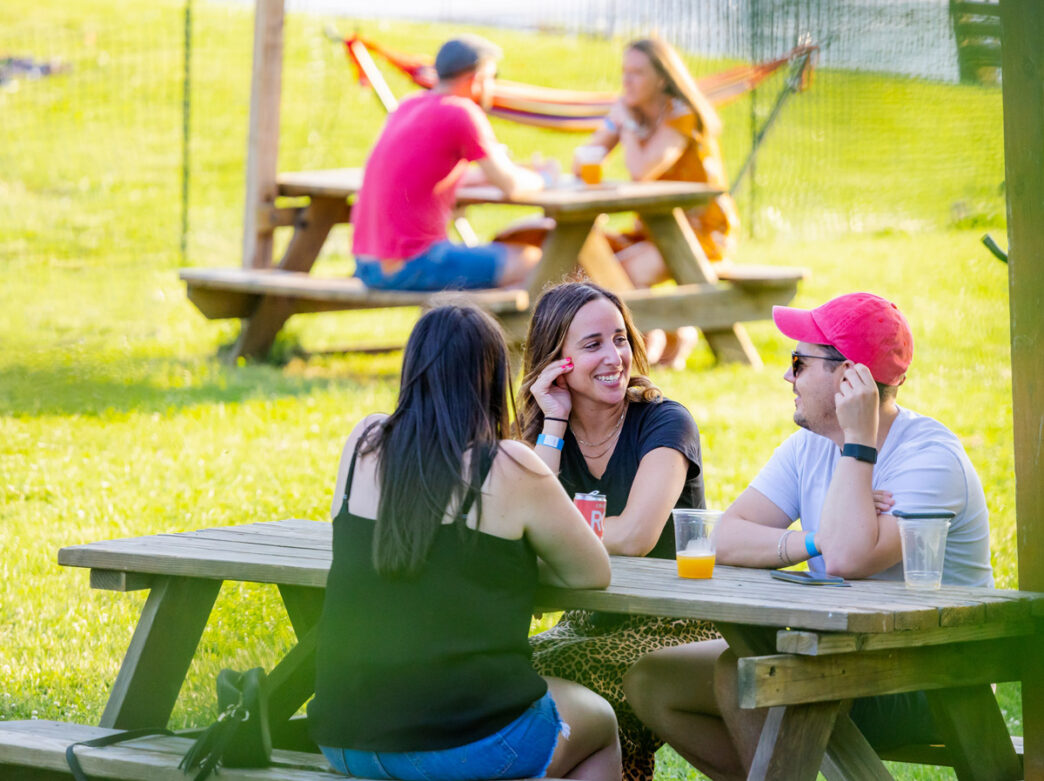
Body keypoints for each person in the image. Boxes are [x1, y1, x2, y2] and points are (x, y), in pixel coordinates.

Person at [623, 292, 994, 780]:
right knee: (653, 680)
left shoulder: (930, 458)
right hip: (838, 654)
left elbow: (846, 558)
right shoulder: (808, 447)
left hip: (930, 676)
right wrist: (811, 539)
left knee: (742, 675)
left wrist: (858, 444)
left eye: (798, 362)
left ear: (849, 377)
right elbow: (725, 538)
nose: (786, 375)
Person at [308, 302, 622, 781]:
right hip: (464, 743)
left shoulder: (363, 442)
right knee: (599, 721)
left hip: (344, 739)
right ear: (492, 380)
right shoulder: (511, 465)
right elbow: (592, 572)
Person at [517, 280, 719, 781]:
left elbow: (635, 536)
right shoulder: (546, 437)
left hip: (678, 622)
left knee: (577, 674)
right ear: (554, 362)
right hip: (593, 620)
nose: (615, 356)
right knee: (512, 671)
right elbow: (523, 529)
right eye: (592, 344)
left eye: (621, 338)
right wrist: (554, 424)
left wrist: (552, 533)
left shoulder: (665, 423)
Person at [585, 38, 740, 369]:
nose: (627, 81)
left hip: (699, 231)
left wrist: (624, 123)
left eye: (637, 73)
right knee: (598, 263)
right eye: (625, 72)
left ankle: (655, 341)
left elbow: (642, 170)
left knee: (624, 272)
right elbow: (584, 160)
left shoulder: (680, 115)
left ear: (662, 78)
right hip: (653, 229)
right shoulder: (634, 111)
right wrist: (615, 122)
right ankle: (669, 335)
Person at [350, 35, 549, 292]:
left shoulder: (409, 105)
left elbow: (432, 175)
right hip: (409, 264)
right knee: (536, 261)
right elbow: (511, 185)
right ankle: (507, 330)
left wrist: (508, 172)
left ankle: (480, 327)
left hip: (366, 264)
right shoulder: (461, 112)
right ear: (476, 79)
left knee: (499, 276)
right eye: (492, 77)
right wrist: (544, 178)